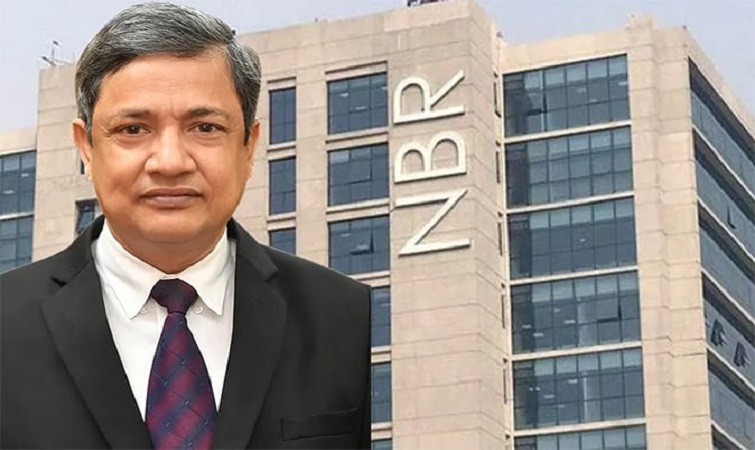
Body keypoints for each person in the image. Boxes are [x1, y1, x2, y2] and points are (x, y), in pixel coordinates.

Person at [0, 3, 370, 449]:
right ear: (87, 148)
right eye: (133, 129)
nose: (171, 162)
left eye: (205, 127)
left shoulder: (344, 316)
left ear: (249, 146)